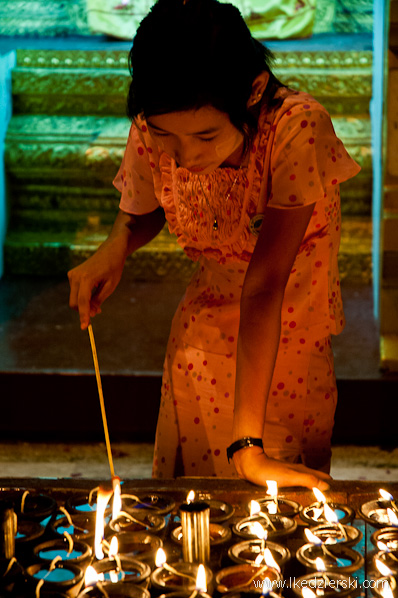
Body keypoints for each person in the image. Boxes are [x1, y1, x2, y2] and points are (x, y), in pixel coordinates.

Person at [68, 0, 360, 489]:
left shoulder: (295, 130)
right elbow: (144, 209)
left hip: (284, 348)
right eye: (167, 138)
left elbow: (265, 284)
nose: (184, 157)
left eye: (204, 137)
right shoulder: (153, 125)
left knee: (274, 532)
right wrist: (116, 245)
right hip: (199, 343)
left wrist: (248, 447)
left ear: (253, 91)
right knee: (199, 521)